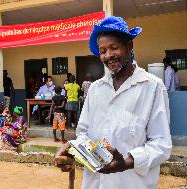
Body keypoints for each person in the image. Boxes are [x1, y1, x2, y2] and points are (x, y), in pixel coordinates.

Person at [55, 16, 172, 189]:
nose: (108, 55)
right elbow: (83, 134)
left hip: (132, 184)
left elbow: (161, 144)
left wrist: (126, 162)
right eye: (103, 51)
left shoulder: (152, 87)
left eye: (114, 48)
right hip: (94, 183)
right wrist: (73, 151)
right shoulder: (95, 89)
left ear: (129, 46)